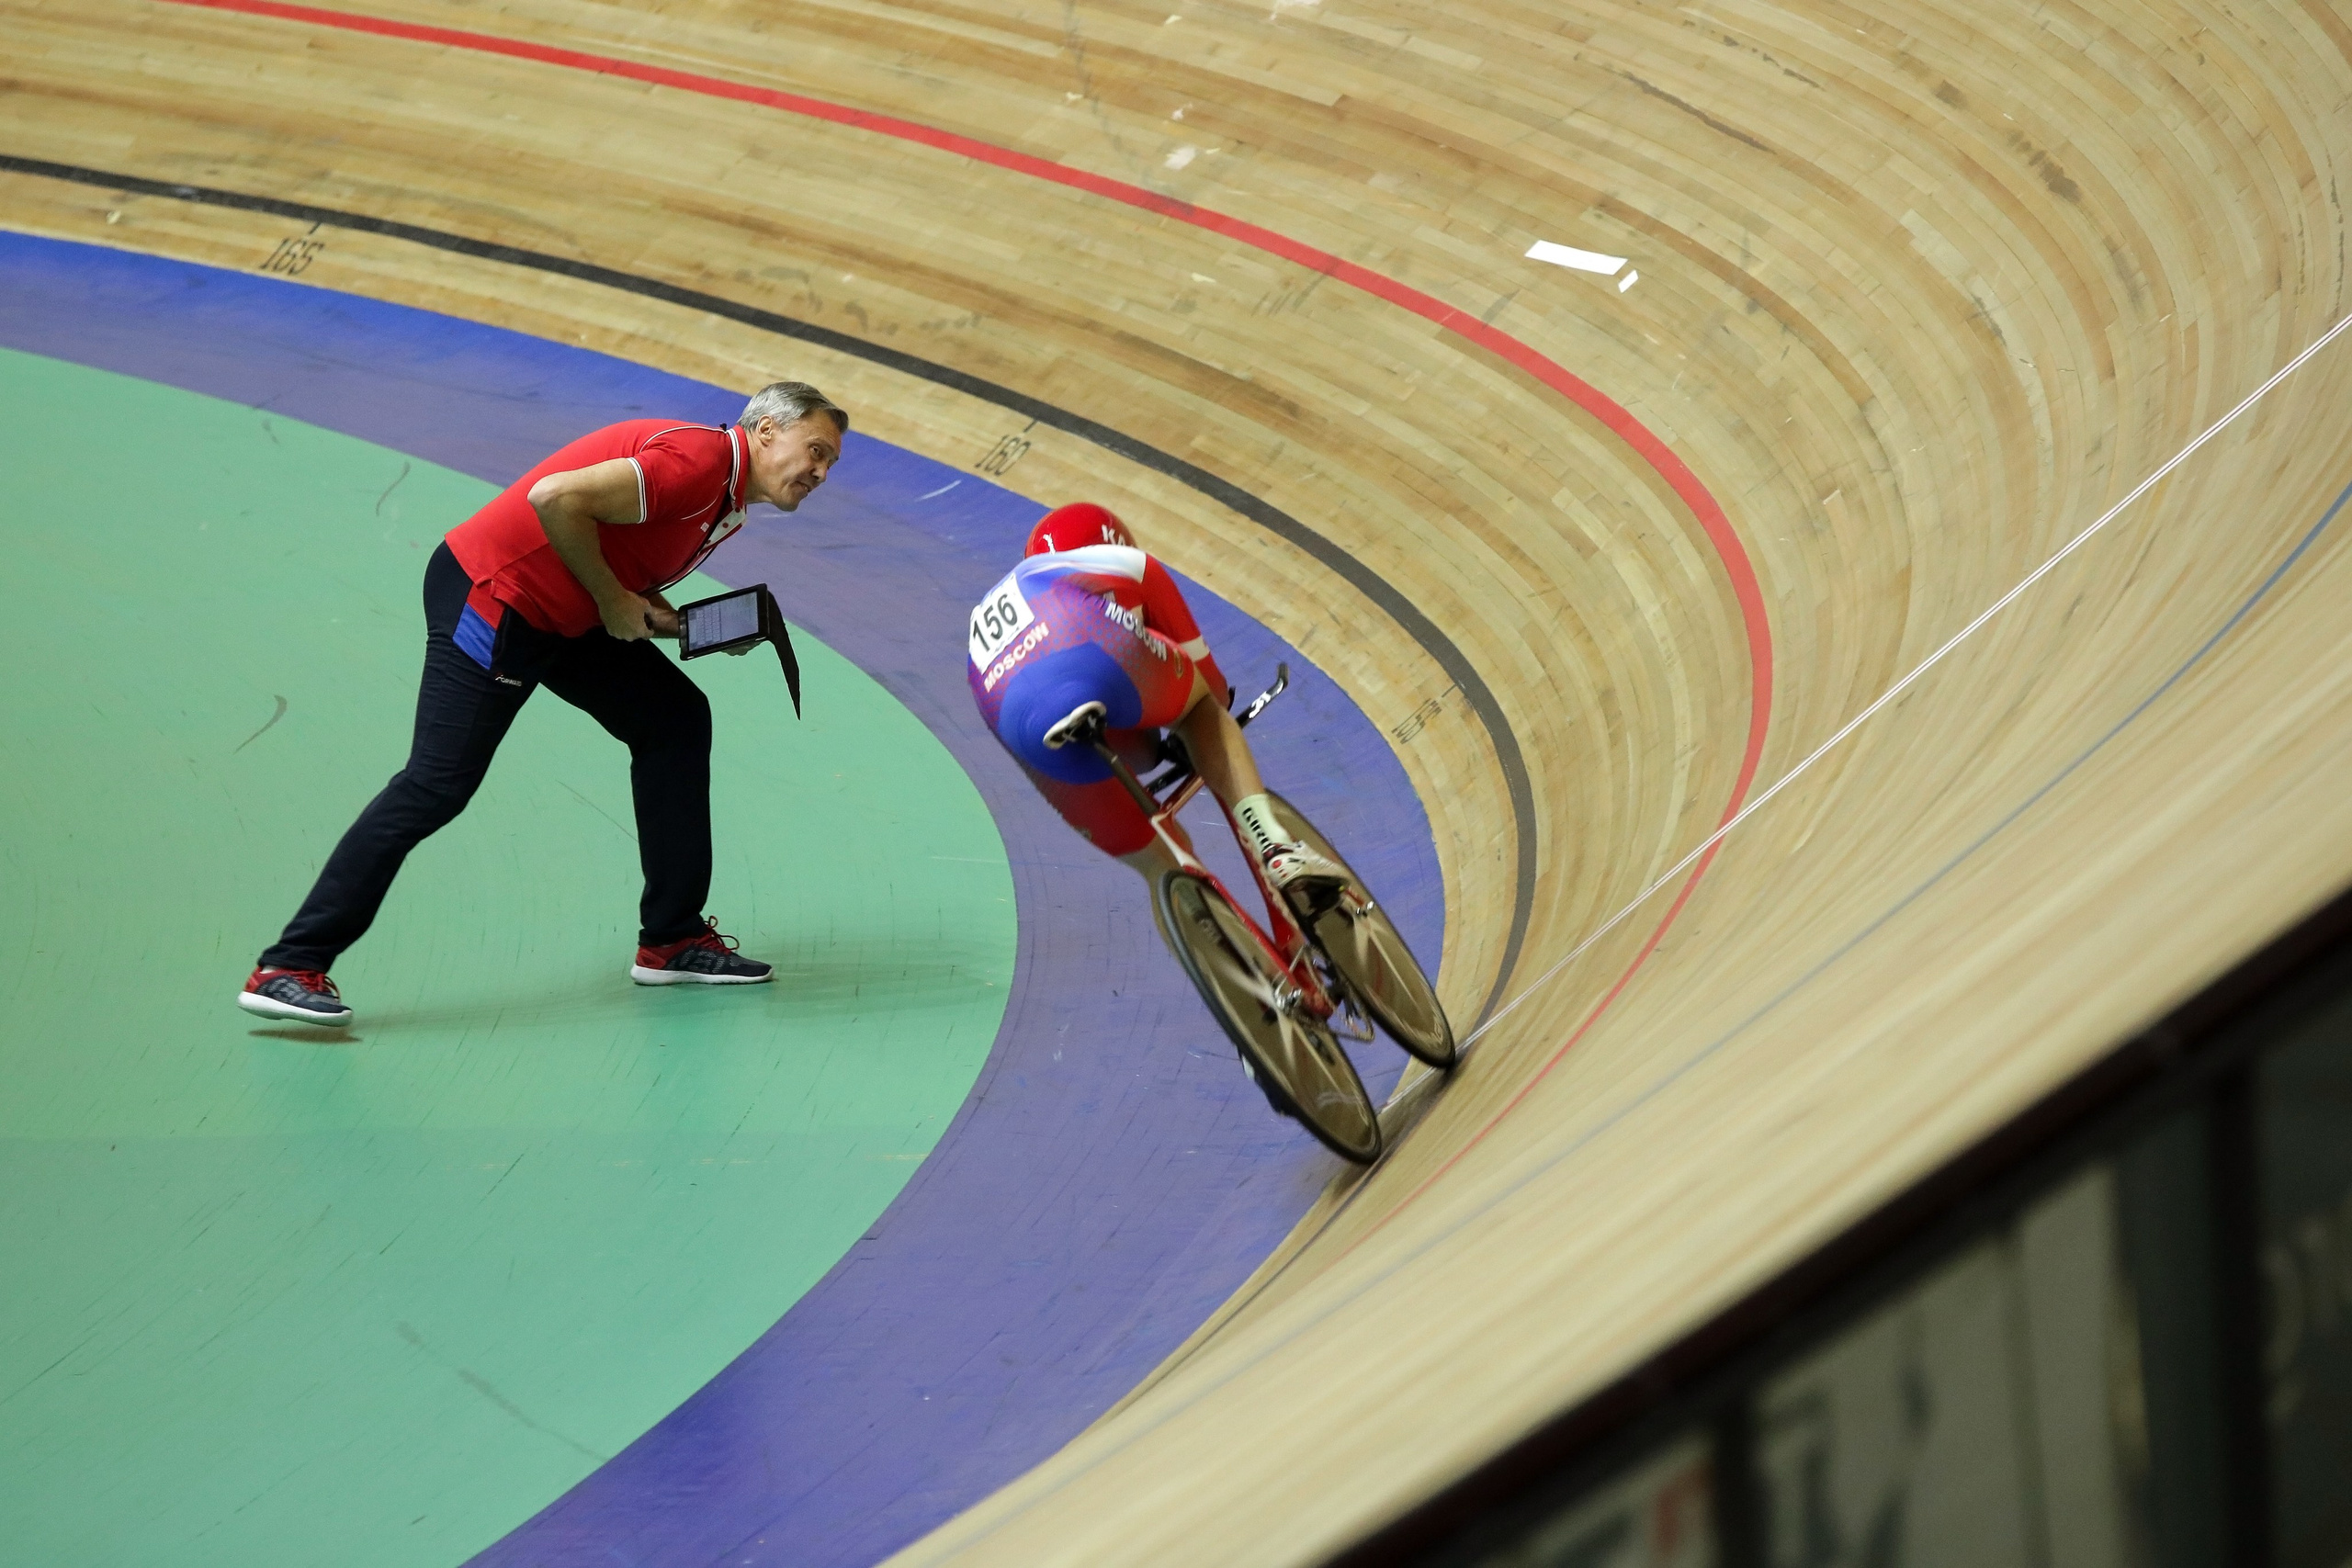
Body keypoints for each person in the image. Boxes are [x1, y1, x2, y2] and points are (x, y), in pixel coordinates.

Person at [237, 381, 848, 1028]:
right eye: (815, 450)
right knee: (436, 784)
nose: (820, 471)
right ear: (765, 431)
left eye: (830, 463)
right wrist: (613, 600)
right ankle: (287, 965)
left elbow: (623, 563)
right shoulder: (699, 463)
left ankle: (672, 939)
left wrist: (675, 624)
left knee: (674, 718)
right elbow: (556, 500)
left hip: (564, 616)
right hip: (496, 597)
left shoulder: (726, 503)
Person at [967, 502, 1346, 900]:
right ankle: (1275, 847)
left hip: (1000, 701)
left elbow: (1143, 758)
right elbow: (1211, 689)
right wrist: (1200, 717)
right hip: (1078, 641)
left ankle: (1206, 926)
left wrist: (1151, 750)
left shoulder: (1030, 583)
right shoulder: (1122, 563)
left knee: (1157, 864)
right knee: (1201, 710)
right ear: (1113, 544)